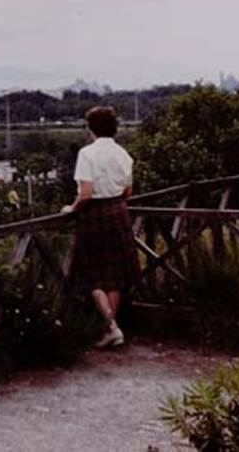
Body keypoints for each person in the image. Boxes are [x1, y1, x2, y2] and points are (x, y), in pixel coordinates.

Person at [61, 105, 137, 349]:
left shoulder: (87, 154)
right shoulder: (124, 154)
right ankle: (110, 330)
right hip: (119, 213)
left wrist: (71, 209)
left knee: (92, 275)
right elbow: (128, 192)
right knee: (113, 278)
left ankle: (112, 328)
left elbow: (86, 193)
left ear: (90, 128)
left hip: (95, 215)